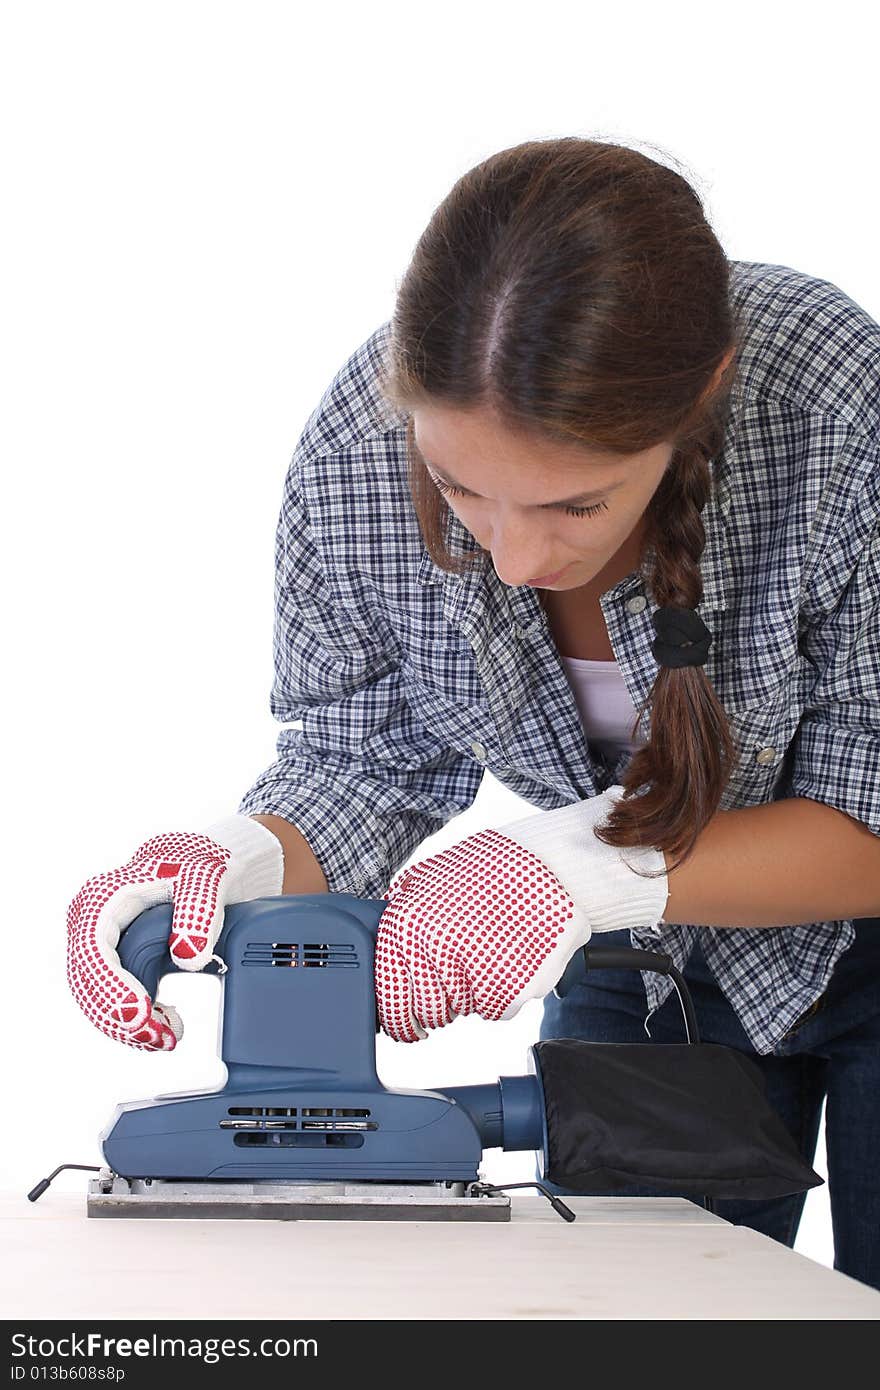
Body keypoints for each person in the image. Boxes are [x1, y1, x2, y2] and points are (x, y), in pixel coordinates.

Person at [66, 137, 880, 1287]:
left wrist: (578, 866)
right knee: (618, 1323)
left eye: (574, 501)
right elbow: (362, 761)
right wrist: (236, 859)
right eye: (459, 489)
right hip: (647, 961)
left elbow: (871, 805)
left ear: (699, 400)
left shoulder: (838, 408)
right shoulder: (355, 453)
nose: (510, 557)